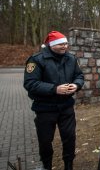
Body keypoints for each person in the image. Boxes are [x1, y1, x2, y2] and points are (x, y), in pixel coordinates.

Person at [23, 31, 84, 170]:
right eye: (61, 44)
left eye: (66, 43)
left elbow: (79, 75)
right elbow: (30, 83)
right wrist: (54, 89)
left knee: (69, 139)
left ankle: (69, 166)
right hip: (45, 109)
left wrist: (77, 84)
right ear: (52, 45)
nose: (65, 46)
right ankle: (46, 165)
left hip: (66, 107)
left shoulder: (71, 58)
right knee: (45, 141)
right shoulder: (36, 60)